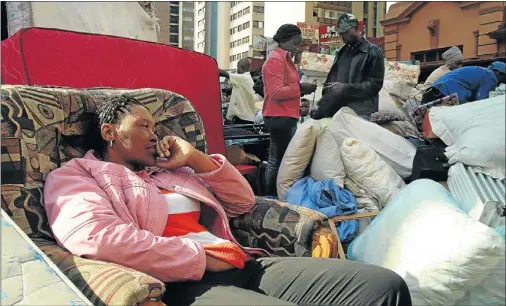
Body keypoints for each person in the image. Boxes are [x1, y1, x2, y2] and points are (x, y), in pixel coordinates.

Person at [43, 95, 412, 306]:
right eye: (143, 126)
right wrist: (200, 259)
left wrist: (196, 160)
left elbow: (242, 203)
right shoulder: (77, 175)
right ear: (110, 133)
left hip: (243, 264)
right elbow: (97, 239)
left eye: (156, 127)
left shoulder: (168, 170)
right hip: (183, 285)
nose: (155, 135)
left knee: (385, 288)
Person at [262, 24, 317, 196]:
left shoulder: (283, 59)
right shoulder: (275, 61)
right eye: (295, 43)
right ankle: (273, 195)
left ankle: (271, 195)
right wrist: (300, 89)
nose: (296, 47)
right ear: (284, 41)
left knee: (277, 160)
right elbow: (276, 92)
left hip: (284, 115)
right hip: (279, 117)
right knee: (281, 161)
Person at [319, 13, 384, 120]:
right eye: (340, 33)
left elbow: (375, 85)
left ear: (355, 29)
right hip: (339, 110)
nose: (342, 36)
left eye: (346, 32)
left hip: (361, 111)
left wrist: (345, 88)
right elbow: (333, 79)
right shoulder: (341, 52)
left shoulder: (373, 52)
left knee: (357, 137)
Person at [423, 61, 506, 104]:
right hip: (449, 91)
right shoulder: (490, 77)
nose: (503, 80)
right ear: (498, 73)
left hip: (434, 90)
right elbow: (480, 101)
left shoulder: (481, 71)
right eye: (504, 76)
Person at [220, 58, 257, 125]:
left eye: (237, 67)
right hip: (244, 118)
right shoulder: (246, 79)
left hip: (242, 119)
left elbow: (224, 74)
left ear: (241, 67)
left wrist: (211, 67)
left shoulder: (243, 78)